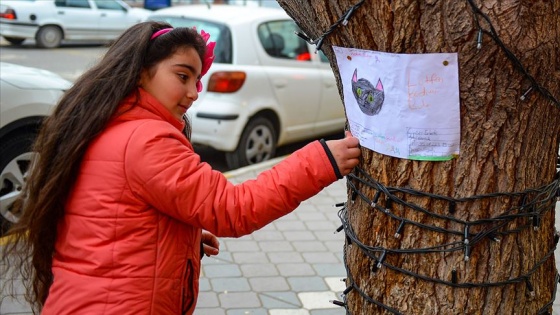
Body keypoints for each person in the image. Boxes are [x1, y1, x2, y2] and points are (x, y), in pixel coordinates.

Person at [1, 21, 361, 314]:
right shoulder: (147, 139)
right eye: (182, 76)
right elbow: (232, 209)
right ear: (142, 74)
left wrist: (176, 235)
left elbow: (105, 216)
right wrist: (324, 160)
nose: (193, 93)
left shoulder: (108, 122)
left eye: (197, 79)